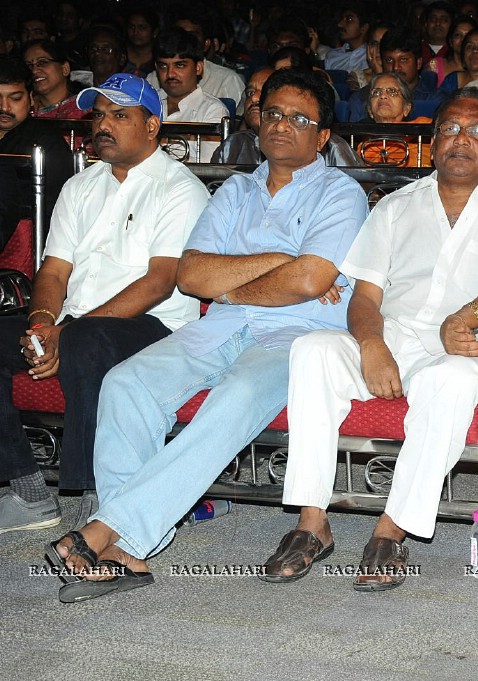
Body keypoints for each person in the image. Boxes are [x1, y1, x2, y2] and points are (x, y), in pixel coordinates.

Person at [44, 68, 367, 603]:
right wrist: (283, 263)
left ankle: (108, 534)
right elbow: (192, 275)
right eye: (274, 113)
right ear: (258, 120)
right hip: (217, 326)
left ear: (323, 136)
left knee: (234, 398)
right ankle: (132, 549)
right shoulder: (235, 189)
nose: (283, 124)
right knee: (127, 383)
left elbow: (311, 281)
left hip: (296, 337)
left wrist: (246, 281)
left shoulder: (340, 193)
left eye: (300, 118)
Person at [261, 88, 478, 588]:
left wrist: (471, 314)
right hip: (392, 341)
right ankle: (312, 522)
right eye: (451, 129)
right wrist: (373, 346)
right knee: (313, 350)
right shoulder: (395, 206)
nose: (462, 139)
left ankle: (391, 530)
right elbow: (364, 297)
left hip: (466, 344)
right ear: (432, 143)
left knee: (450, 383)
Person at [0, 73, 208, 534]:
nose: (104, 125)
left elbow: (159, 283)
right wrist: (40, 323)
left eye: (120, 115)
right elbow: (53, 271)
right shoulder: (81, 186)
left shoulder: (179, 188)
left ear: (153, 125)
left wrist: (64, 334)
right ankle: (29, 488)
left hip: (155, 326)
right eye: (98, 115)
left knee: (87, 341)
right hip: (77, 323)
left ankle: (90, 495)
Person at [0, 57, 74, 247]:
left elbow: (57, 212)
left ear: (32, 99)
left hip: (27, 248)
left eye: (15, 98)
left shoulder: (47, 143)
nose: (4, 107)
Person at [154, 27, 230, 163]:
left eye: (180, 65)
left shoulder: (212, 110)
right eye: (163, 66)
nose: (170, 74)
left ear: (198, 68)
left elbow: (208, 168)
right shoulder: (146, 103)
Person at [358, 72, 432, 167]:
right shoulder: (361, 146)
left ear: (406, 108)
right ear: (370, 111)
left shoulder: (424, 133)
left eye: (392, 92)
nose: (383, 96)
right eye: (376, 92)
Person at [21, 40, 87, 120]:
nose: (34, 70)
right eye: (29, 66)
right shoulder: (22, 108)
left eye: (42, 62)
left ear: (65, 69)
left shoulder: (86, 108)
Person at [324, 2, 372, 73]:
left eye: (349, 19)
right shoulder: (332, 55)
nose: (340, 24)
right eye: (342, 19)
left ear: (364, 28)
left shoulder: (371, 57)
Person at [124, 8, 159, 76]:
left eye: (142, 28)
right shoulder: (120, 54)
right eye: (131, 27)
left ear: (155, 32)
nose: (135, 32)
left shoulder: (160, 56)